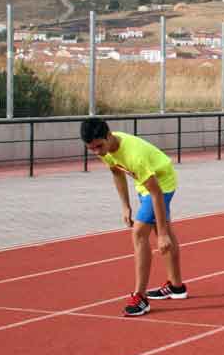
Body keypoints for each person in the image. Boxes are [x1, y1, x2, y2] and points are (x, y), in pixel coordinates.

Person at [80, 118, 187, 317]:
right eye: (91, 148)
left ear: (109, 135)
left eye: (99, 146)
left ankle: (140, 296)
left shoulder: (134, 154)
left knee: (139, 232)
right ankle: (176, 286)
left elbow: (156, 193)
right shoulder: (106, 150)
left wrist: (162, 234)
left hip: (161, 183)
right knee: (157, 227)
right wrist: (125, 206)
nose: (97, 152)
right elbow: (116, 173)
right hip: (144, 184)